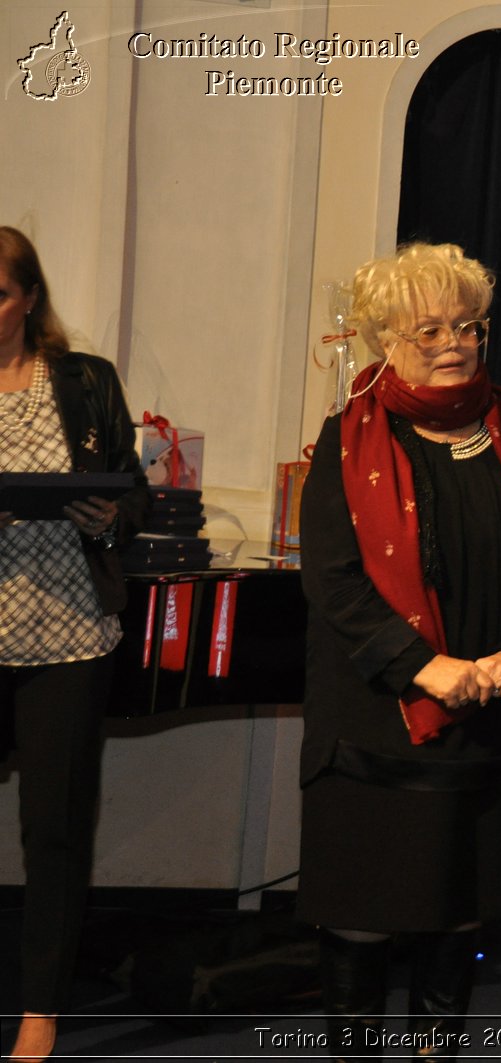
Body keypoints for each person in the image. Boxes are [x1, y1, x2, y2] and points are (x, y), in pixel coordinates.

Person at [297, 242, 501, 1061]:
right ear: (385, 339)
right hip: (377, 727)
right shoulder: (347, 440)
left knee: (460, 913)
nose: (454, 341)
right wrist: (430, 668)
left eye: (468, 325)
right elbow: (336, 584)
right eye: (429, 329)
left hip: (489, 720)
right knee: (360, 916)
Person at [0, 225, 148, 1063]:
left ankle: (41, 1009)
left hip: (65, 635)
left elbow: (132, 488)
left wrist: (110, 512)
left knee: (52, 829)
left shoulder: (85, 380)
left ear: (27, 300)